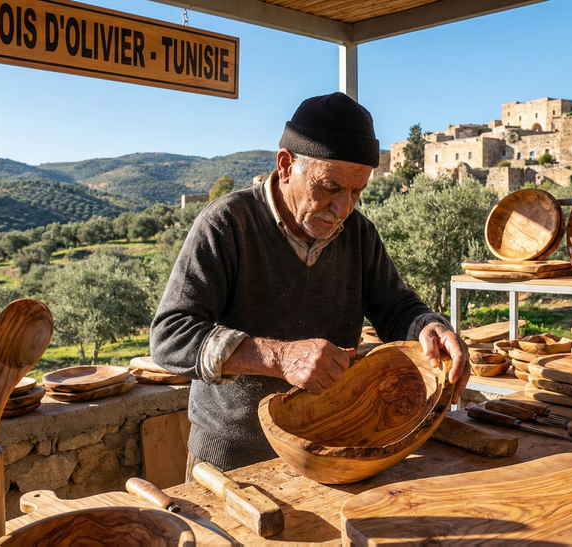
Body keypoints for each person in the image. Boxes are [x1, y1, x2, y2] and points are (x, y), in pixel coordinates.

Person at [150, 92, 469, 474]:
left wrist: (431, 328)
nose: (343, 209)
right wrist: (280, 358)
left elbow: (398, 308)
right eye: (330, 187)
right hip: (233, 458)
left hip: (331, 449)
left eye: (356, 192)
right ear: (286, 165)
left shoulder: (358, 234)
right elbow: (169, 337)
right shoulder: (226, 224)